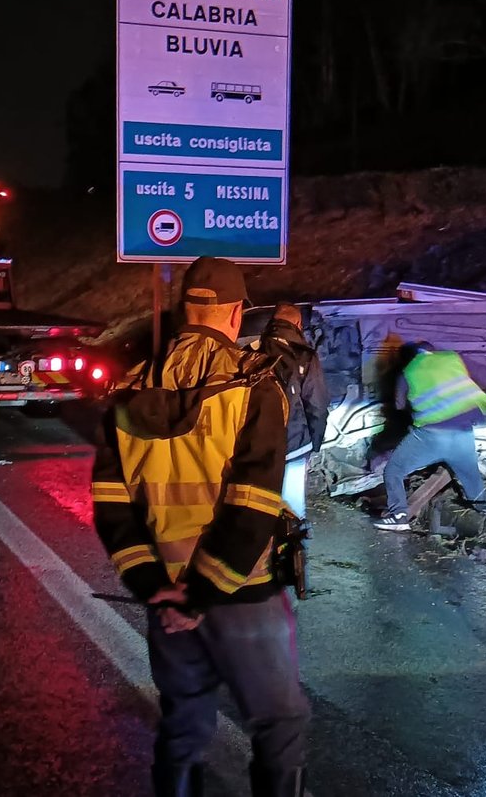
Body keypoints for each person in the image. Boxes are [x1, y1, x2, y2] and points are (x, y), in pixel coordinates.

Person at [90, 257, 309, 797]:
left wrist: (157, 590)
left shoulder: (129, 389)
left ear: (186, 307)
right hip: (241, 592)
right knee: (280, 723)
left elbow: (112, 502)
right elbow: (254, 501)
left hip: (164, 595)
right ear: (236, 313)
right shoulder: (253, 385)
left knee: (184, 724)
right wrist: (204, 592)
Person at [373, 342, 486, 532]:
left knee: (394, 470)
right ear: (433, 350)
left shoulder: (409, 371)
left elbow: (398, 404)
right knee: (471, 477)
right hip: (463, 432)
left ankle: (399, 517)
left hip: (431, 436)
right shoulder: (452, 357)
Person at [255, 302, 330, 519]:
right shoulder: (304, 356)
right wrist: (315, 442)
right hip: (295, 443)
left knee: (260, 503)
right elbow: (317, 404)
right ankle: (295, 548)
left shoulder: (253, 350)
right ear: (298, 323)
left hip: (259, 445)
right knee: (293, 507)